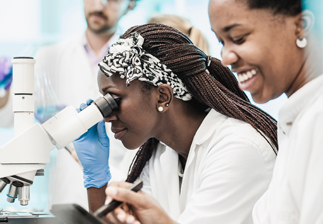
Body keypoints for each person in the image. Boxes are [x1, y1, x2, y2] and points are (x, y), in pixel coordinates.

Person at [73, 23, 278, 223]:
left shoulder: (238, 149)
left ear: (162, 97)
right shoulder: (160, 154)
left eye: (113, 100)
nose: (107, 116)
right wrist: (96, 179)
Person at [0, 0, 138, 209]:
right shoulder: (50, 56)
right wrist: (0, 86)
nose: (100, 5)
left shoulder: (138, 62)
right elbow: (2, 118)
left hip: (119, 187)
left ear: (131, 4)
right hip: (64, 194)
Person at [208, 0, 323, 223]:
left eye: (238, 38)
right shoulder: (298, 118)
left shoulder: (317, 119)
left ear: (300, 26)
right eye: (221, 41)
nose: (226, 58)